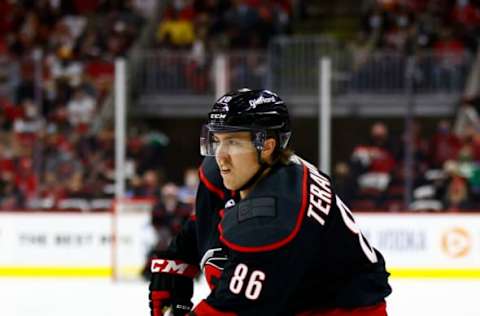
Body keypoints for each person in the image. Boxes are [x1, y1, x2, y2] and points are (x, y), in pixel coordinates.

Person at [148, 89, 392, 315]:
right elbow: (203, 221)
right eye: (217, 140)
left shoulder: (277, 214)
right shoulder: (233, 171)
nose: (220, 155)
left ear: (267, 146)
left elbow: (233, 309)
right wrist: (177, 260)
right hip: (295, 295)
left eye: (232, 142)